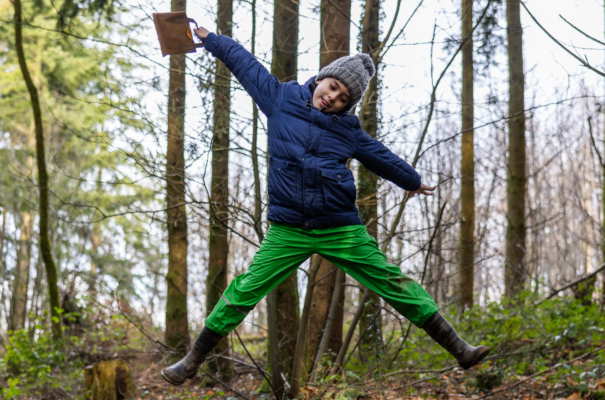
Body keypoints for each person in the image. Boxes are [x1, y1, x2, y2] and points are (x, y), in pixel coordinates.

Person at [161, 27, 491, 386]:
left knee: (390, 280)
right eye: (332, 86)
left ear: (347, 105)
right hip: (288, 230)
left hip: (340, 228)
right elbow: (245, 65)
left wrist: (411, 180)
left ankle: (459, 347)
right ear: (321, 79)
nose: (333, 97)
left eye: (343, 97)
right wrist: (212, 40)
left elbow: (380, 156)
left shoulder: (347, 131)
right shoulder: (280, 99)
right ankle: (193, 359)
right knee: (244, 289)